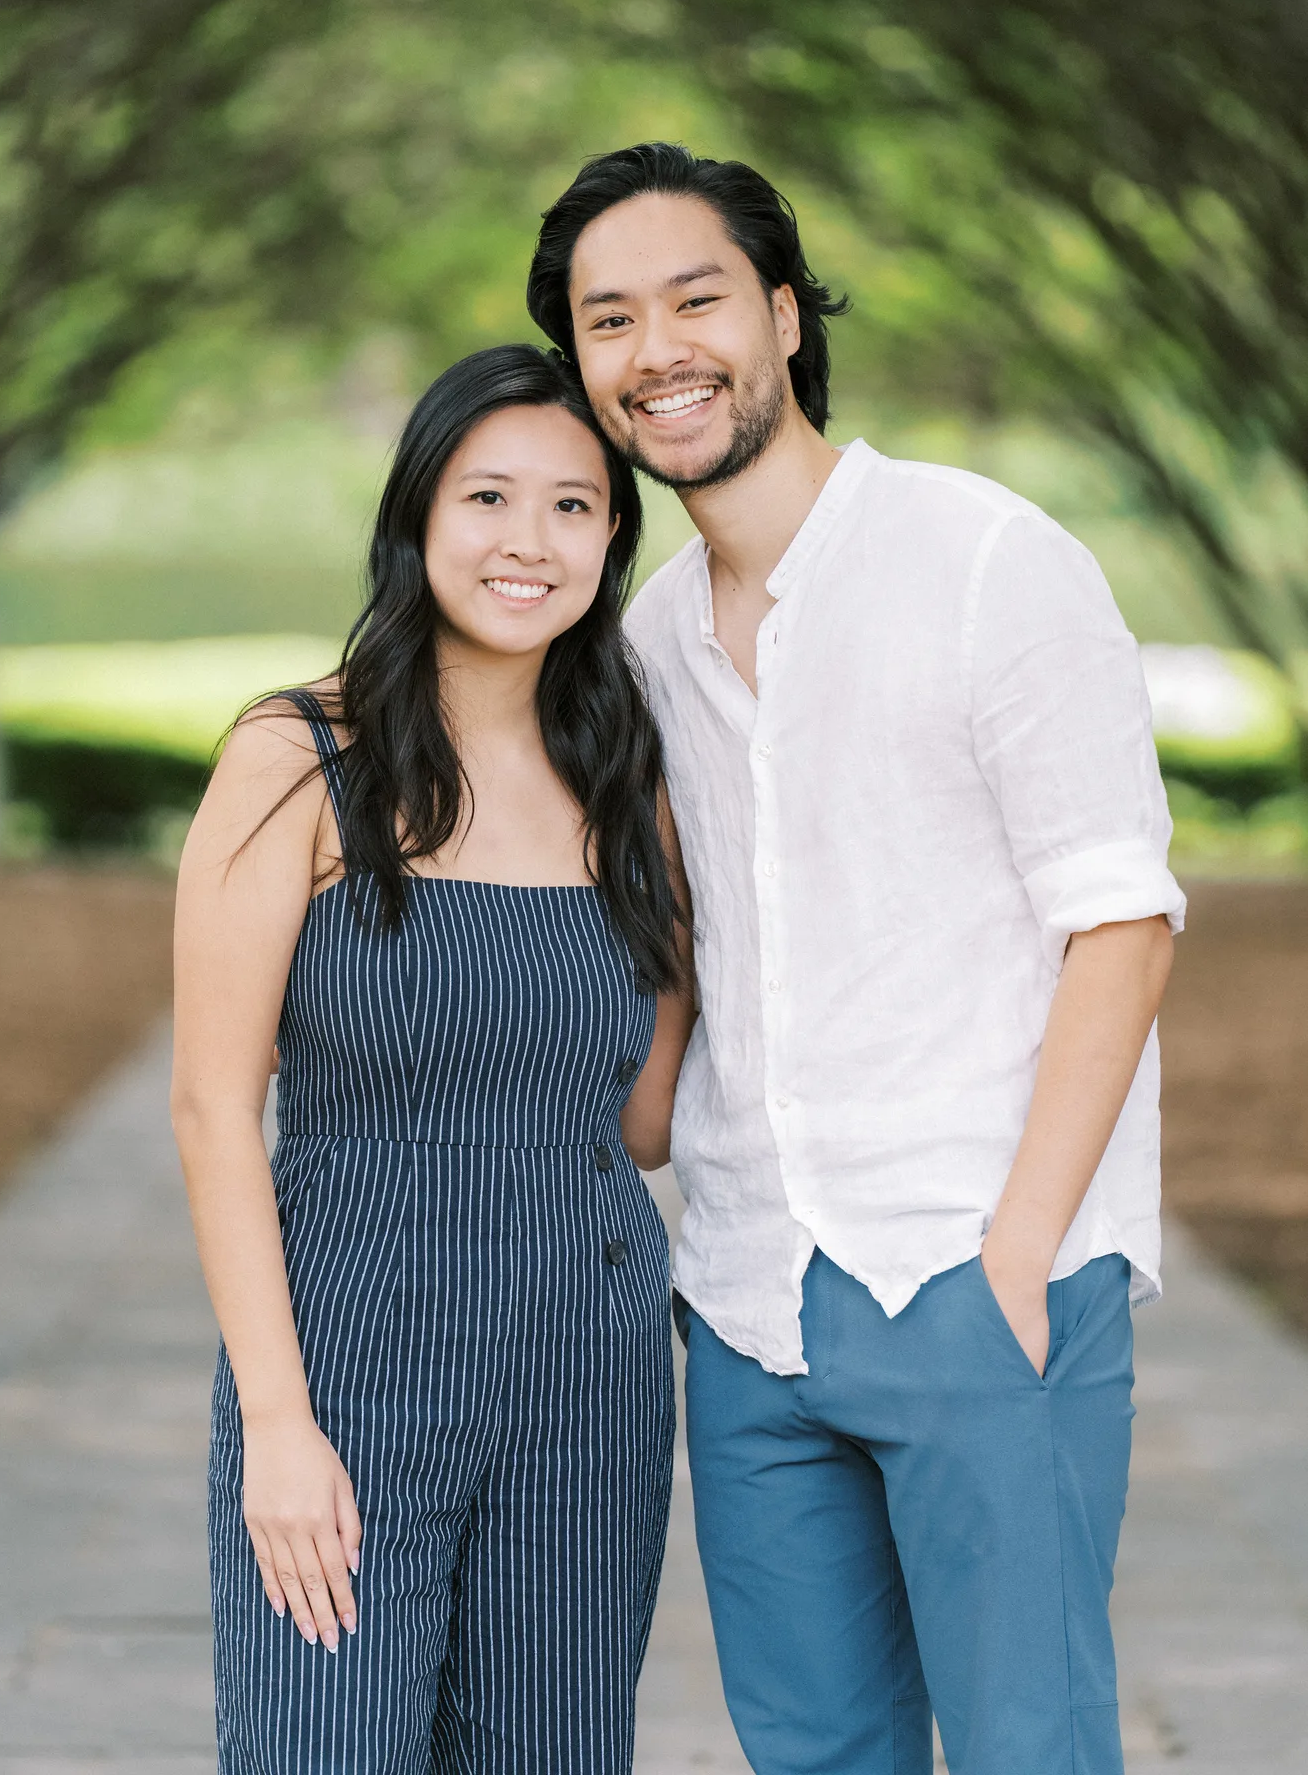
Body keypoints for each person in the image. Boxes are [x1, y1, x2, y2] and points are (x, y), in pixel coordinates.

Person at [525, 143, 1185, 1775]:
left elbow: (1119, 924)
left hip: (978, 1266)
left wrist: (1018, 1259)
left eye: (696, 300)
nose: (658, 351)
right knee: (815, 1752)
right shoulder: (645, 644)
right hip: (750, 1301)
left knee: (1031, 1747)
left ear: (782, 312)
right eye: (610, 320)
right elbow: (681, 953)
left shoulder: (986, 560)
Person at [171, 344, 694, 1774]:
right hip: (348, 1358)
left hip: (586, 1367)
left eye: (574, 507)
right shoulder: (297, 755)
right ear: (418, 516)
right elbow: (213, 1108)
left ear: (612, 541)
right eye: (488, 497)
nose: (529, 541)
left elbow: (643, 1120)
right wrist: (277, 1425)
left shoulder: (627, 782)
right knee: (320, 1745)